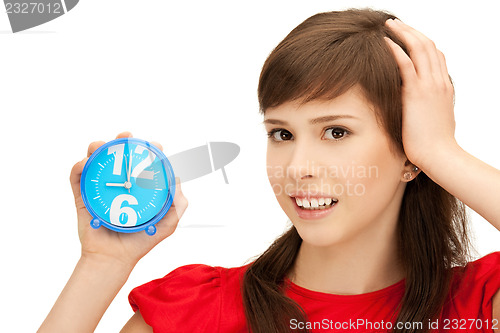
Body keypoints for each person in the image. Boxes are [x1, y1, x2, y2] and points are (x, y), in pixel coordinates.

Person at [38, 8, 500, 333]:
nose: (297, 168)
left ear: (409, 156)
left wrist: (442, 153)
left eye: (336, 132)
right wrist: (102, 265)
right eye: (281, 134)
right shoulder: (200, 311)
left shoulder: (475, 307)